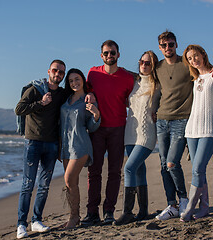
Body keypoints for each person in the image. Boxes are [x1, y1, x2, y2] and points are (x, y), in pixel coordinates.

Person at [81, 40, 134, 226]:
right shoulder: (93, 73)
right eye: (106, 53)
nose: (109, 56)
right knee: (93, 172)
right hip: (97, 129)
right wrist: (91, 94)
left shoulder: (128, 77)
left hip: (118, 129)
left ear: (118, 54)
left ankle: (109, 211)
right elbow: (84, 91)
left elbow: (133, 99)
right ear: (101, 55)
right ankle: (92, 212)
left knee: (114, 172)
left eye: (112, 53)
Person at [14, 60, 68, 239]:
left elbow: (77, 93)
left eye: (61, 72)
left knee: (44, 186)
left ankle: (36, 220)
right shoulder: (35, 89)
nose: (58, 74)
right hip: (33, 143)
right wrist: (40, 103)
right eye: (55, 71)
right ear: (49, 71)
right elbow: (19, 109)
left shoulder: (61, 93)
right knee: (28, 185)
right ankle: (21, 224)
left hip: (52, 145)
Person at [180, 45, 213, 221]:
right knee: (197, 169)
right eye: (190, 59)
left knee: (198, 168)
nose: (194, 60)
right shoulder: (196, 78)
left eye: (195, 56)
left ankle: (190, 208)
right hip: (192, 129)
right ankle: (204, 207)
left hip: (211, 129)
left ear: (203, 54)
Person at [114, 51, 161, 225]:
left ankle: (127, 212)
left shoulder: (158, 85)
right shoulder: (134, 83)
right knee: (139, 170)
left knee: (129, 168)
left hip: (147, 134)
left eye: (148, 63)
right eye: (141, 62)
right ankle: (143, 211)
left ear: (154, 66)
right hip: (130, 134)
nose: (144, 65)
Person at [154, 30, 192, 221]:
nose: (168, 48)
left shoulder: (186, 63)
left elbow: (205, 69)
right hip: (161, 120)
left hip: (181, 120)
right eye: (164, 45)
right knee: (163, 165)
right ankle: (172, 205)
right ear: (160, 48)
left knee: (172, 163)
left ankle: (184, 199)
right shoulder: (158, 67)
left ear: (176, 45)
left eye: (171, 44)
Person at [59, 68, 101, 229]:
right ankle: (74, 217)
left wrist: (96, 115)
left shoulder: (88, 100)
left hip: (80, 144)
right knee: (72, 182)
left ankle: (74, 216)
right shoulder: (67, 98)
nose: (74, 83)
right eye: (71, 81)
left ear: (83, 80)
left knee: (68, 179)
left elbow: (92, 126)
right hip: (65, 146)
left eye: (77, 79)